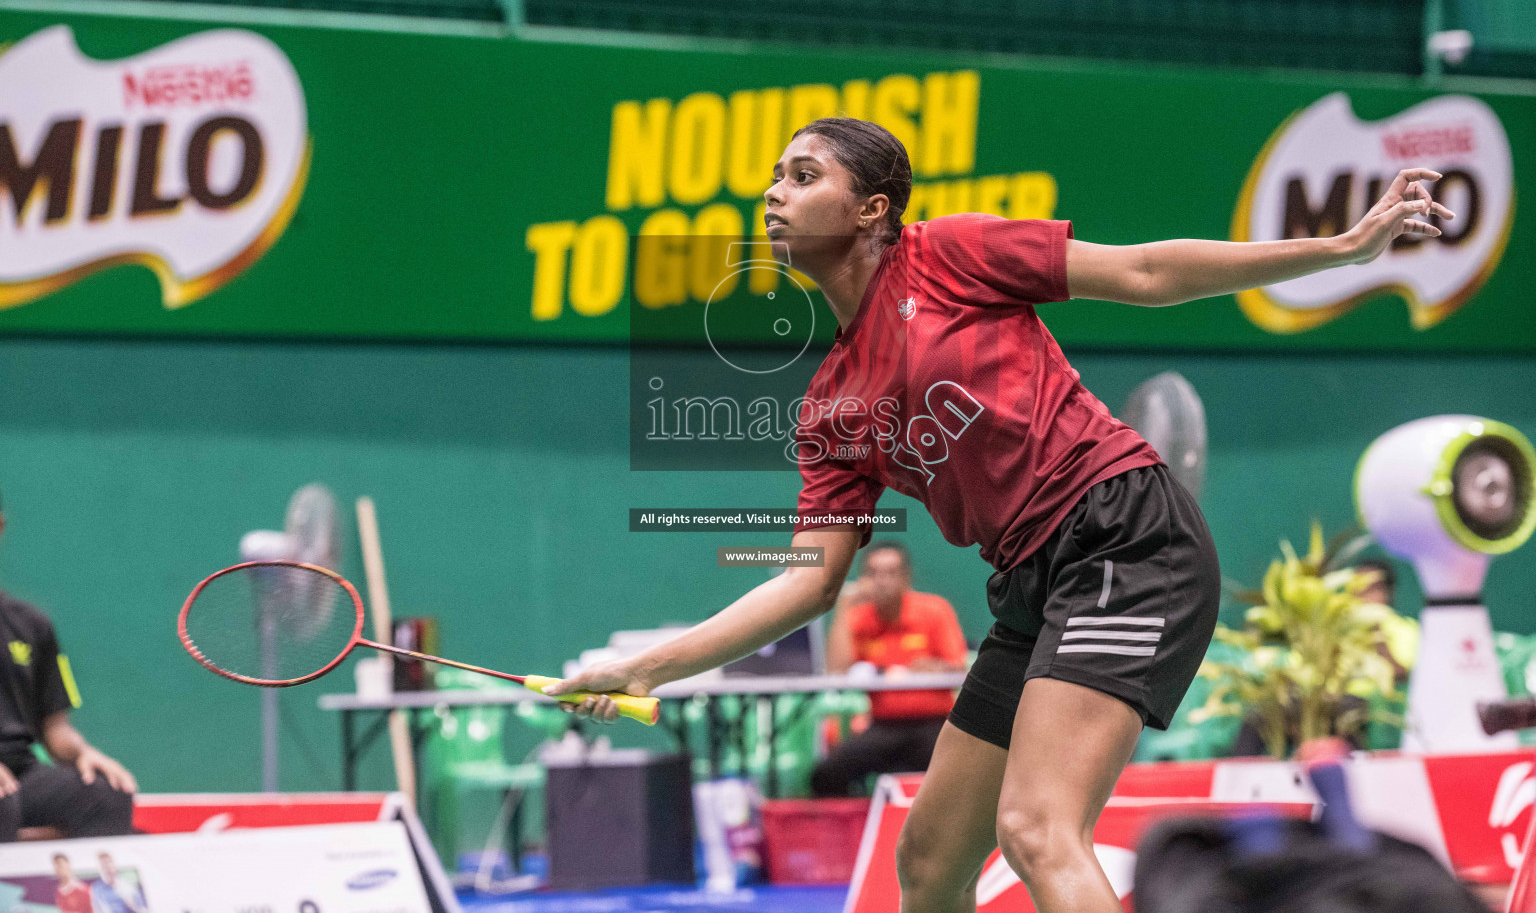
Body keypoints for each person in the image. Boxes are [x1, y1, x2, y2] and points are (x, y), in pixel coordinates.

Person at [545, 117, 1449, 913]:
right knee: (931, 860)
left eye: (802, 174)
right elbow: (809, 582)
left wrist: (1341, 250)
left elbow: (1142, 270)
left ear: (873, 208)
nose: (775, 197)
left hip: (1125, 534)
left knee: (1036, 826)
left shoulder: (945, 254)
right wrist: (650, 669)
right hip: (1030, 585)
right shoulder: (828, 407)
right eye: (775, 180)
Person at [0, 500, 137, 843]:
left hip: (20, 772)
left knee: (106, 794)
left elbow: (55, 728)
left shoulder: (31, 623)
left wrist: (83, 752)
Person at [813, 540, 967, 796]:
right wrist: (842, 609)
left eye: (890, 573)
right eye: (873, 574)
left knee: (955, 777)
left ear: (906, 577)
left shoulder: (934, 610)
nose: (882, 581)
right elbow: (837, 673)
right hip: (883, 726)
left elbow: (958, 670)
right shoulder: (858, 618)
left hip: (934, 725)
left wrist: (931, 669)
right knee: (827, 774)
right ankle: (858, 832)